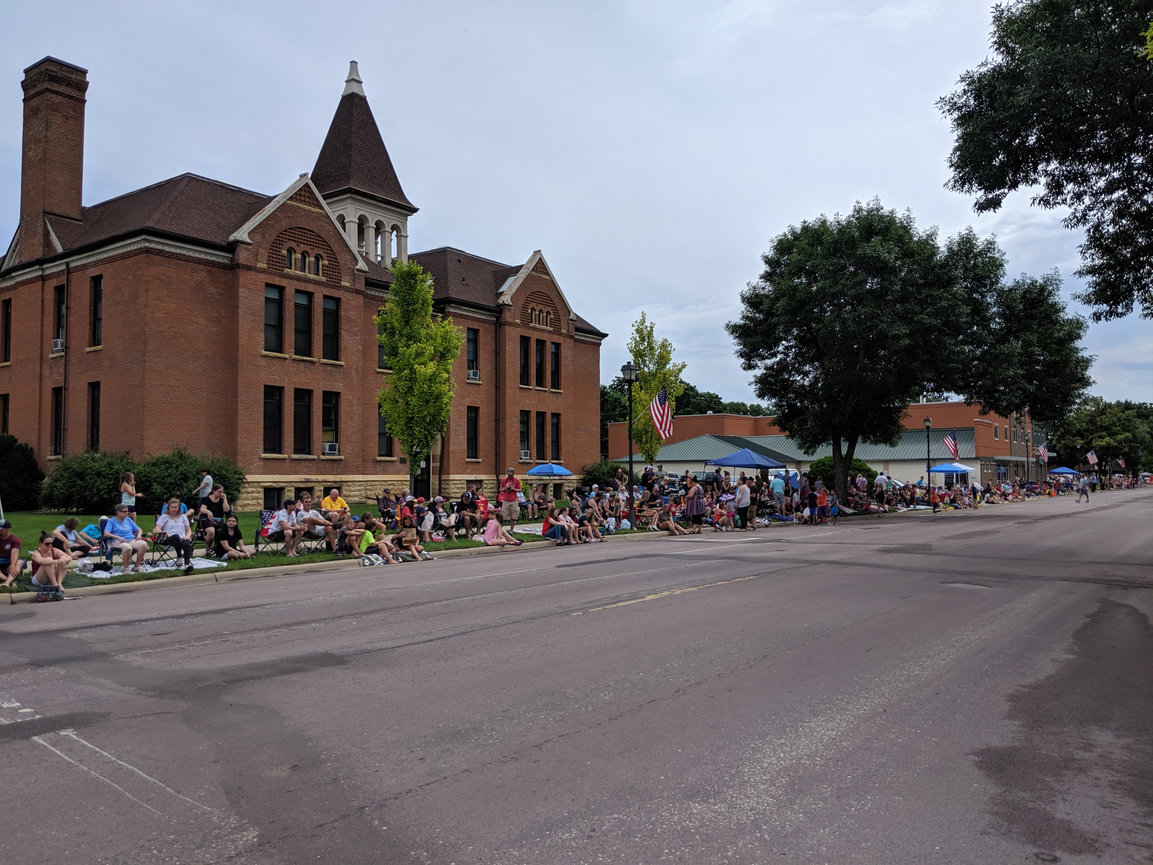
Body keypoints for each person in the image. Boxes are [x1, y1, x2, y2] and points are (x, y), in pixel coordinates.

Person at [104, 505, 149, 572]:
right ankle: (126, 568)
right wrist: (118, 537)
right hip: (118, 542)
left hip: (131, 540)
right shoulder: (111, 521)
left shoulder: (128, 520)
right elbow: (106, 533)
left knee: (143, 544)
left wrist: (139, 535)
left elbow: (139, 530)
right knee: (127, 547)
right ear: (118, 512)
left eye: (128, 511)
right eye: (125, 511)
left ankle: (137, 566)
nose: (127, 513)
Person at [156, 497, 195, 574]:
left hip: (182, 539)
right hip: (167, 539)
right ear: (169, 507)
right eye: (172, 507)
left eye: (175, 507)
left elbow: (188, 530)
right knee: (176, 536)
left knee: (186, 542)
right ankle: (179, 556)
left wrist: (187, 536)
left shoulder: (183, 517)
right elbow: (157, 529)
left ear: (178, 508)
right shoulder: (164, 517)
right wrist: (166, 534)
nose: (174, 509)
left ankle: (186, 566)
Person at [198, 484, 230, 551]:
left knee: (224, 530)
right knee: (211, 531)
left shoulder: (221, 500)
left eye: (222, 492)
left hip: (218, 520)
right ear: (214, 491)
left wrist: (225, 499)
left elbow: (226, 510)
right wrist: (208, 512)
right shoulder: (206, 499)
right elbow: (202, 509)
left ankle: (221, 548)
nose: (221, 493)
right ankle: (208, 548)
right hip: (207, 519)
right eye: (219, 492)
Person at [0, 519, 27, 586]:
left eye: (1, 529)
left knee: (20, 562)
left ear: (7, 529)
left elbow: (14, 553)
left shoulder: (15, 540)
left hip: (9, 561)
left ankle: (6, 583)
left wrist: (12, 565)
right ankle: (10, 581)